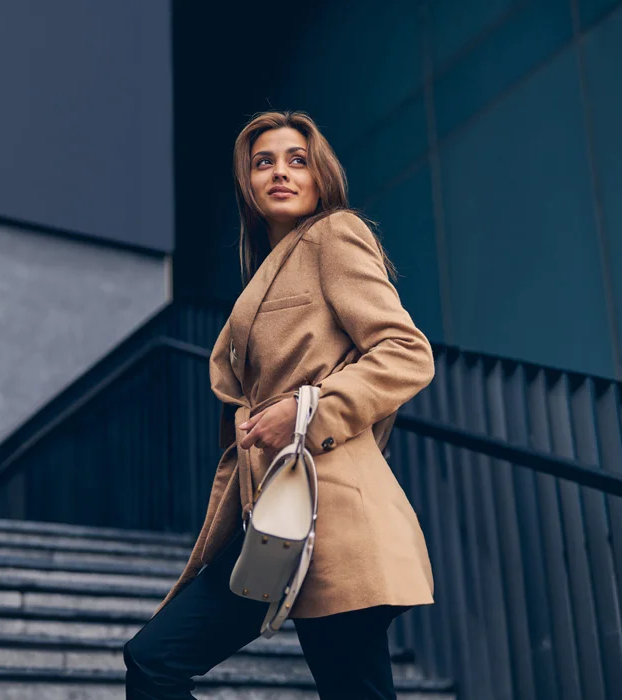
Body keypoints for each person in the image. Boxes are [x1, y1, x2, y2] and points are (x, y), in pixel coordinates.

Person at [123, 110, 436, 699]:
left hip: (334, 514)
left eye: (297, 160)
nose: (280, 173)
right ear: (247, 183)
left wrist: (305, 409)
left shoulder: (333, 236)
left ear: (321, 177)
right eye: (263, 163)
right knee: (151, 660)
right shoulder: (268, 270)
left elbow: (406, 352)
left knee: (157, 662)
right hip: (273, 517)